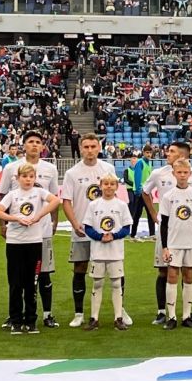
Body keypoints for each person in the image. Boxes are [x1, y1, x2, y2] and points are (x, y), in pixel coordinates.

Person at [61, 133, 129, 327]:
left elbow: (116, 196)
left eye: (93, 146)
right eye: (86, 147)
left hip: (108, 232)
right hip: (84, 230)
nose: (90, 150)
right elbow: (66, 201)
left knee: (116, 271)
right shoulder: (72, 173)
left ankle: (120, 311)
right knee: (80, 268)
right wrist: (75, 224)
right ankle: (79, 313)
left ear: (99, 148)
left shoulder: (108, 168)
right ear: (81, 148)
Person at [142, 142, 192, 325]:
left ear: (182, 156)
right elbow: (145, 191)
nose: (167, 153)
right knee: (164, 271)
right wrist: (154, 214)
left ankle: (187, 313)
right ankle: (162, 312)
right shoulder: (159, 173)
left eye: (172, 151)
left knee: (188, 273)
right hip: (168, 233)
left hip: (188, 234)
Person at [0, 130, 61, 329]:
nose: (34, 145)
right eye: (30, 141)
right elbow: (1, 195)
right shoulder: (11, 168)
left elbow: (54, 197)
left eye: (38, 142)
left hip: (41, 231)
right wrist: (2, 224)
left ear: (43, 146)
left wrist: (54, 222)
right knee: (16, 276)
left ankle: (47, 314)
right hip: (18, 232)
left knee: (43, 273)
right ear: (24, 145)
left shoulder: (50, 168)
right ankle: (14, 315)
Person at [159, 159, 192, 329]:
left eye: (185, 172)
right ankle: (171, 317)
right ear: (174, 174)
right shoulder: (168, 196)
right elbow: (163, 223)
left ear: (190, 174)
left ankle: (187, 315)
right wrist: (164, 247)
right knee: (172, 277)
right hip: (173, 243)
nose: (182, 175)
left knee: (189, 277)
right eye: (179, 172)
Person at [82, 174, 133, 331]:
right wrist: (99, 237)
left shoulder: (122, 205)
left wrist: (113, 236)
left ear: (117, 186)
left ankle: (118, 318)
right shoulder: (93, 205)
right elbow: (88, 227)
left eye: (112, 184)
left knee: (117, 284)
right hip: (98, 252)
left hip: (115, 252)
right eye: (106, 184)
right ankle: (94, 318)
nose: (109, 187)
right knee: (97, 283)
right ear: (101, 185)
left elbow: (127, 228)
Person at [131, 145, 155, 239]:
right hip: (141, 192)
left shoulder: (149, 163)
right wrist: (138, 191)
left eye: (150, 153)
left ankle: (152, 234)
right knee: (137, 214)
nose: (149, 154)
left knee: (150, 212)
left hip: (147, 192)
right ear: (143, 152)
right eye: (147, 152)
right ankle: (133, 234)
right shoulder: (140, 162)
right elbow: (137, 177)